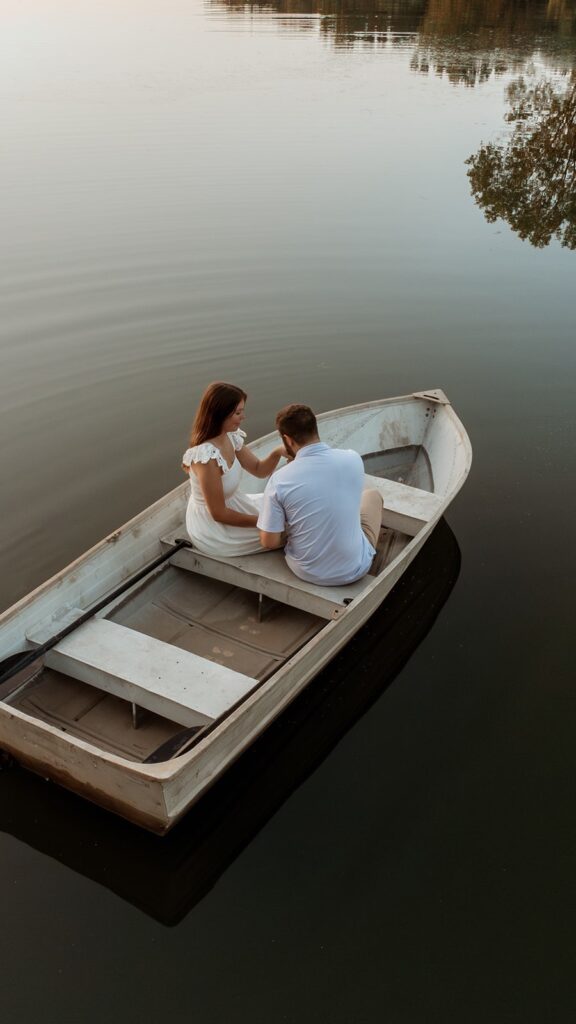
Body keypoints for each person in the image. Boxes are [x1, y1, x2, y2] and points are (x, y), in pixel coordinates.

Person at [257, 404, 383, 586]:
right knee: (372, 496)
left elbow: (268, 542)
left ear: (288, 440)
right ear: (315, 428)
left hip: (307, 571)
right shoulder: (352, 458)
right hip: (356, 569)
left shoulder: (279, 480)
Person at [182, 382, 286, 556]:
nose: (243, 417)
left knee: (291, 514)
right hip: (214, 527)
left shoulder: (231, 437)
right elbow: (218, 514)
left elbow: (259, 469)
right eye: (237, 413)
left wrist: (278, 452)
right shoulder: (206, 457)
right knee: (288, 529)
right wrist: (264, 521)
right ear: (219, 415)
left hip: (235, 505)